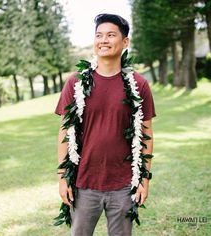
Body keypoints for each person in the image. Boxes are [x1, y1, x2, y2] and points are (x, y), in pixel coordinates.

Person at [55, 13, 156, 236]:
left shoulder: (139, 85)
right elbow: (64, 132)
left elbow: (146, 135)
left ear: (125, 42)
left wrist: (144, 181)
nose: (104, 40)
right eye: (99, 35)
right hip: (83, 183)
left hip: (123, 183)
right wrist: (63, 179)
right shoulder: (75, 82)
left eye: (111, 35)